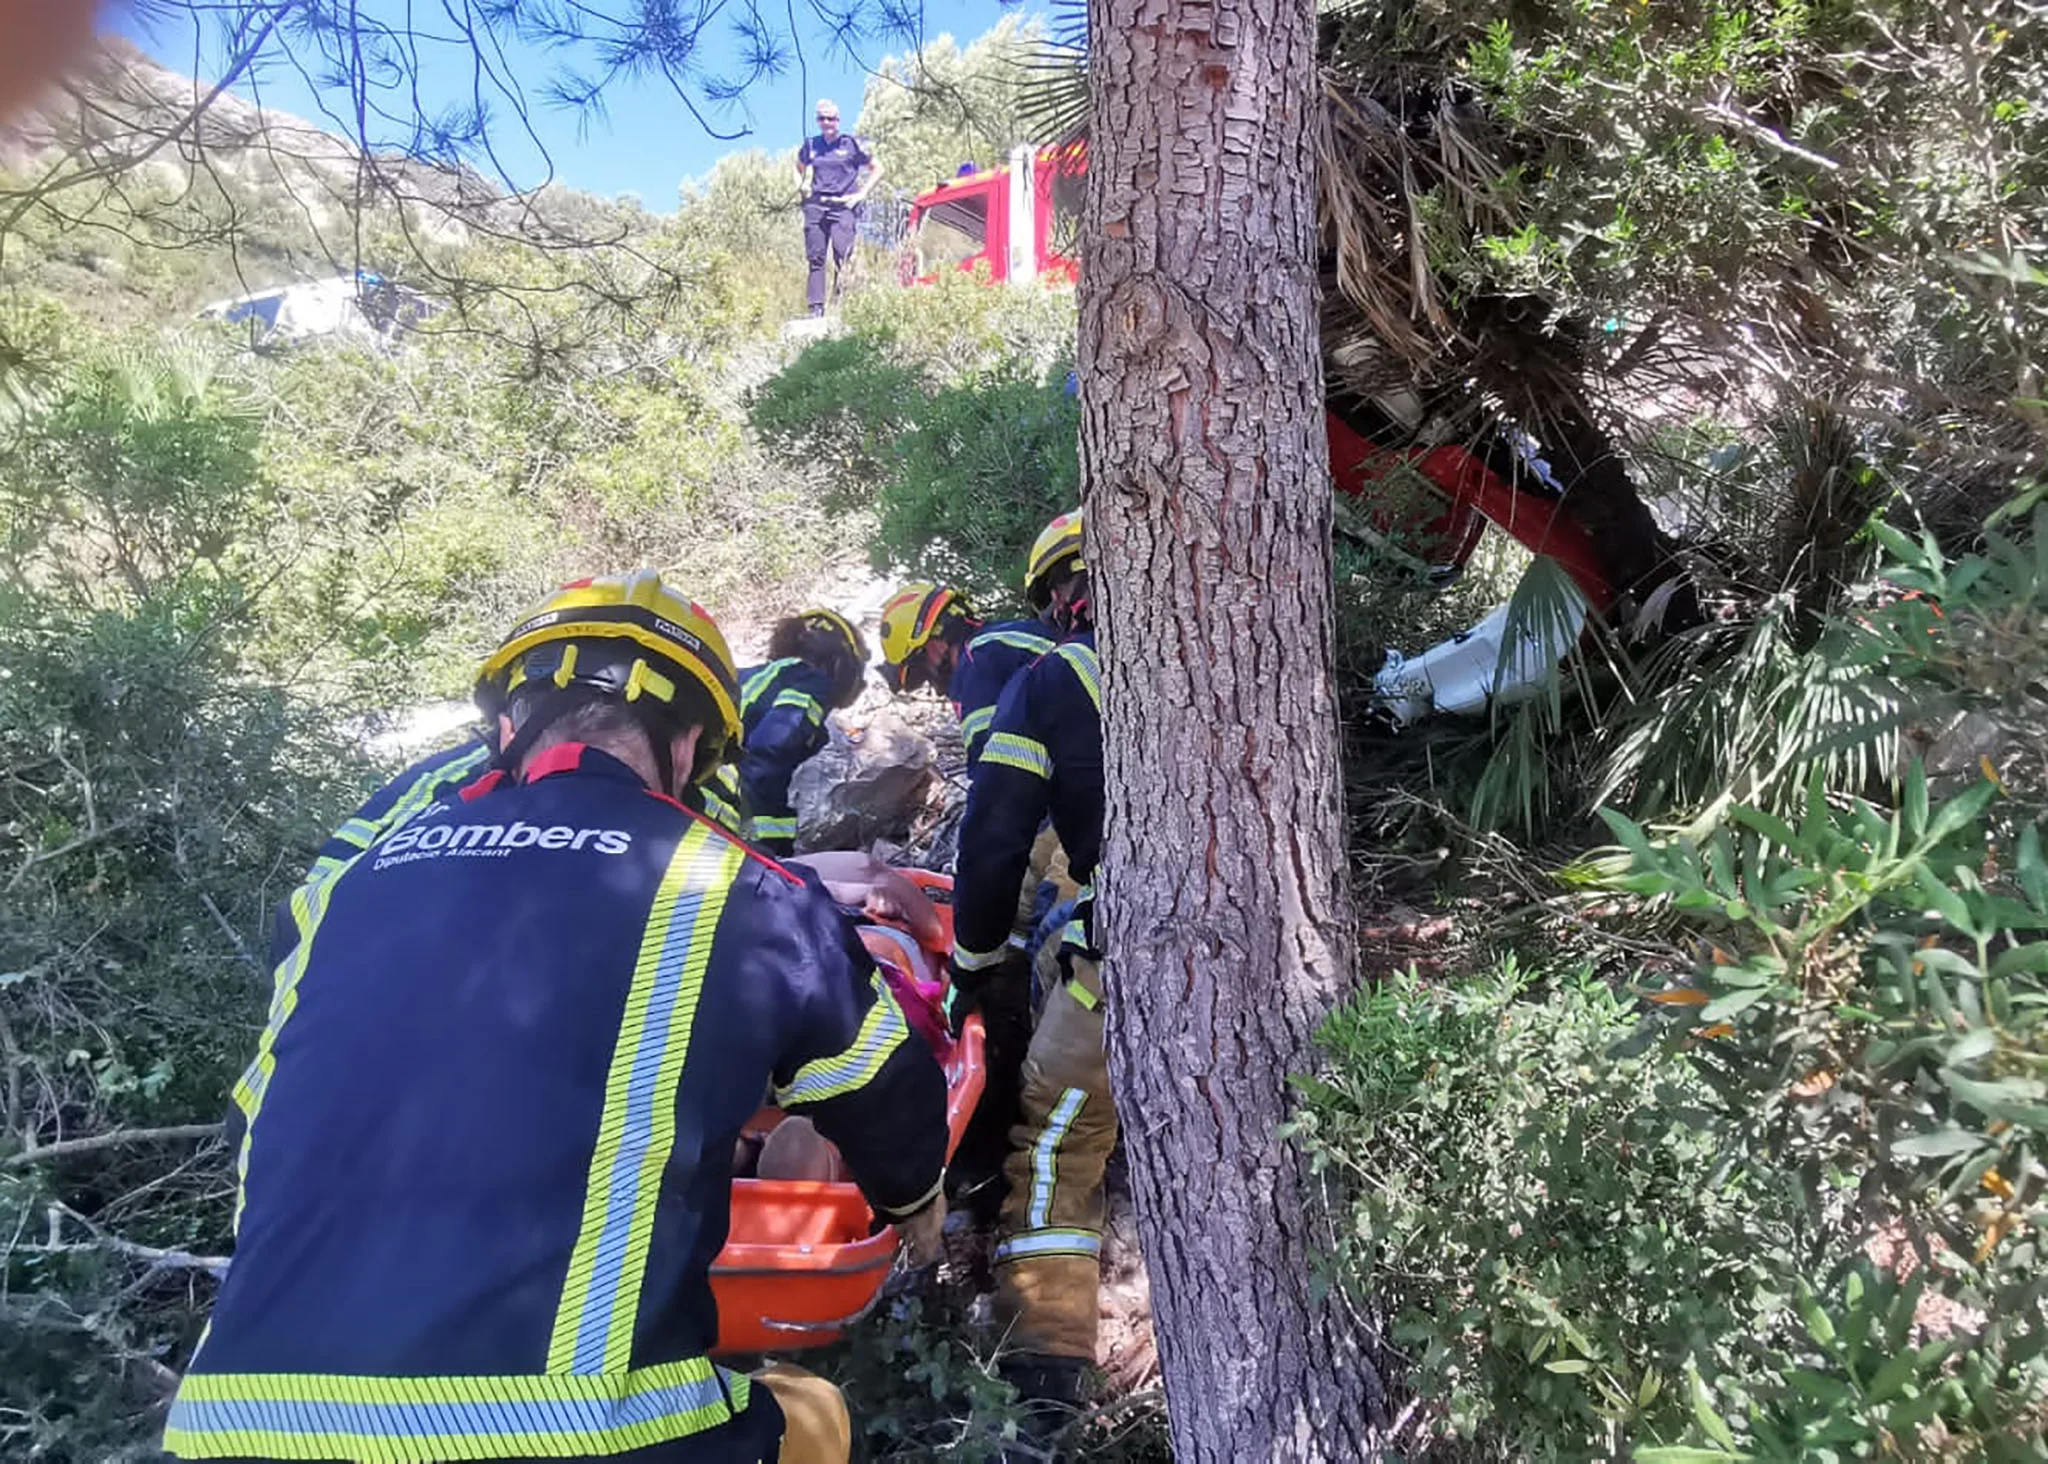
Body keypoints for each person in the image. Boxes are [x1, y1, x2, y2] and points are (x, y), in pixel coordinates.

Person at [164, 571, 948, 1464]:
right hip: (574, 1432)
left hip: (234, 1427)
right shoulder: (734, 882)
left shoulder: (339, 890)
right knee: (810, 1412)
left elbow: (252, 1128)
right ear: (688, 746)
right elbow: (884, 1087)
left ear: (506, 727)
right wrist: (915, 1205)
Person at [942, 511, 1107, 1433]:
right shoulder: (1243, 632)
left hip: (1124, 969)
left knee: (1054, 1151)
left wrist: (977, 968)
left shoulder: (1051, 678)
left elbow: (994, 837)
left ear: (1057, 594)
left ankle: (1044, 1389)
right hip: (1287, 958)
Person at [877, 582, 1056, 770]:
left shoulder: (977, 666)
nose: (936, 690)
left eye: (922, 670)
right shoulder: (999, 640)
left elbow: (995, 771)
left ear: (935, 642)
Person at [738, 608, 868, 855]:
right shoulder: (810, 681)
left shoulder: (751, 677)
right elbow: (773, 746)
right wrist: (769, 851)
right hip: (738, 831)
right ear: (840, 662)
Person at [794, 99, 882, 317]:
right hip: (816, 206)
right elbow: (798, 167)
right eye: (822, 118)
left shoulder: (849, 144)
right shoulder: (812, 145)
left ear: (838, 120)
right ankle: (816, 308)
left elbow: (878, 168)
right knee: (816, 258)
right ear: (818, 121)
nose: (827, 122)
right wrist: (801, 185)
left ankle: (841, 304)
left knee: (843, 255)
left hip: (843, 206)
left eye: (831, 118)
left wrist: (862, 194)